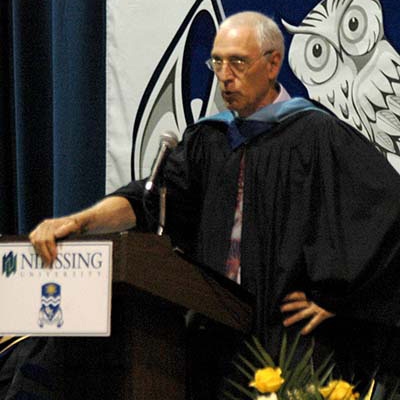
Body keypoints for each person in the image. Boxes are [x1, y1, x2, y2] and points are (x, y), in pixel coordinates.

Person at [30, 10, 400, 396]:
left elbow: (386, 217)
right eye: (217, 61)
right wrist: (78, 222)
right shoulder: (209, 141)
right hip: (213, 337)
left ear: (274, 63)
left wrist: (340, 301)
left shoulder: (316, 135)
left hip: (289, 340)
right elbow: (149, 199)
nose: (225, 74)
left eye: (238, 61)